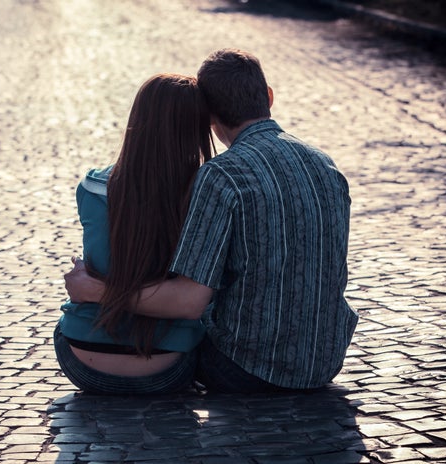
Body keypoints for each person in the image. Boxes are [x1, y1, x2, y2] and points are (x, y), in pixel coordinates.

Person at [65, 49, 358, 393]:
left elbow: (189, 303)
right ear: (268, 97)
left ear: (208, 116)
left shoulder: (222, 175)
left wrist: (98, 289)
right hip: (324, 361)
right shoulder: (326, 165)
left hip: (243, 366)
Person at [55, 73, 214, 395]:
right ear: (199, 125)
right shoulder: (207, 193)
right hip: (169, 365)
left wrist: (95, 288)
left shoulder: (92, 188)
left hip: (82, 357)